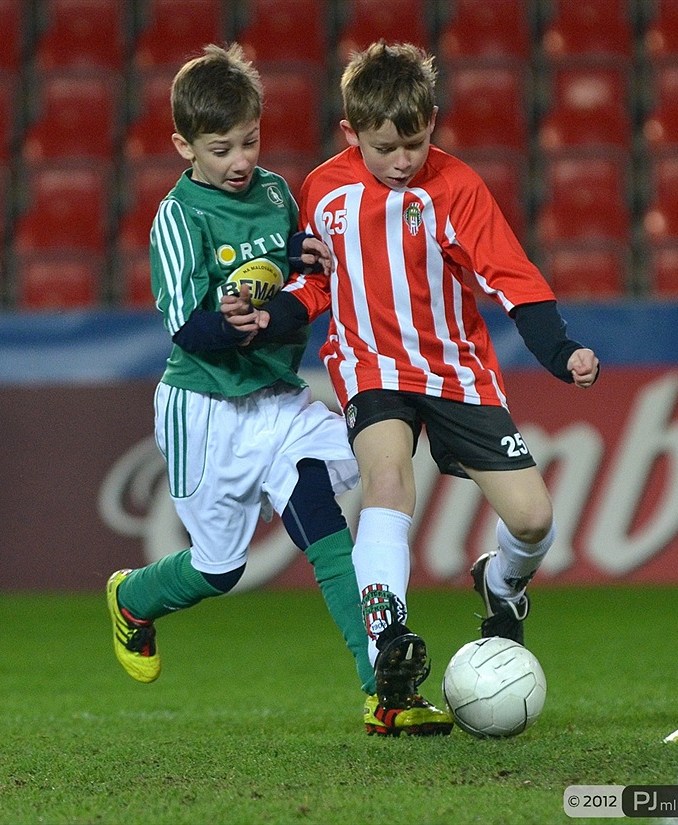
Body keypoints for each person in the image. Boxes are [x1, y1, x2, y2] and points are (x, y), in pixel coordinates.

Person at [227, 41, 600, 713]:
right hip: (369, 364)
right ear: (351, 133)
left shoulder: (457, 187)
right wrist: (273, 314)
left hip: (455, 369)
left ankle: (502, 584)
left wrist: (561, 351)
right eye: (384, 148)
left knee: (534, 519)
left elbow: (512, 278)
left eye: (414, 143)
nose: (401, 160)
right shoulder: (323, 191)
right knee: (388, 479)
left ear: (432, 121)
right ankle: (389, 646)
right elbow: (316, 283)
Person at [106, 43, 453, 738]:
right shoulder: (179, 217)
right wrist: (231, 324)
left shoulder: (272, 193)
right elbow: (185, 326)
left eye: (250, 141)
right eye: (221, 149)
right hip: (205, 407)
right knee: (219, 568)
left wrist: (300, 257)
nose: (240, 160)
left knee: (324, 521)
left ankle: (383, 691)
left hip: (277, 399)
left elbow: (294, 270)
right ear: (183, 147)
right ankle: (133, 598)